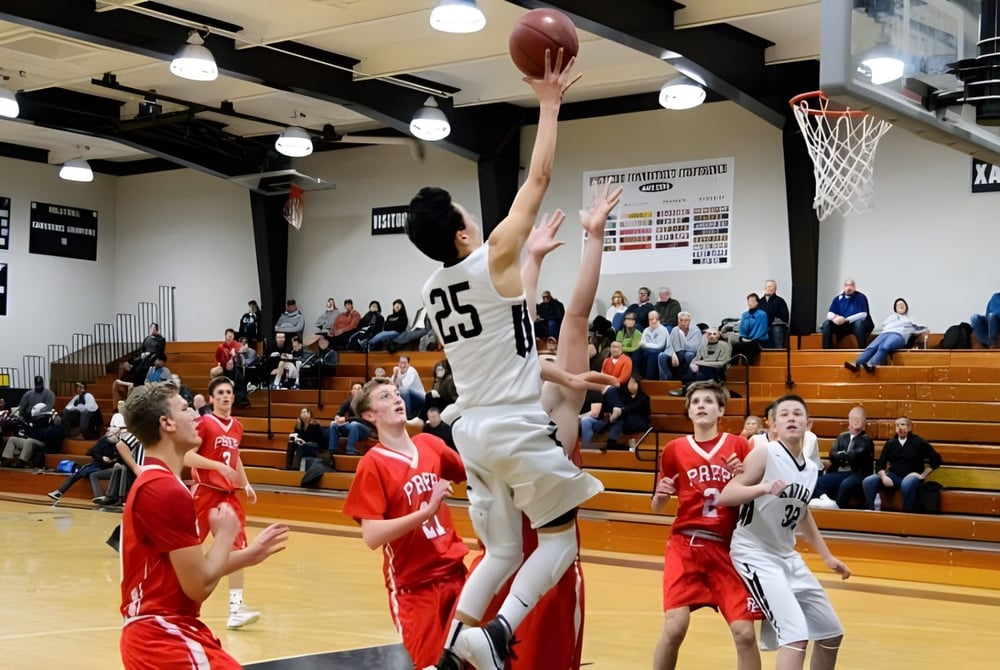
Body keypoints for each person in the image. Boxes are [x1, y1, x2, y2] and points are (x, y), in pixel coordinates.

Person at [405, 49, 600, 670]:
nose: (477, 216)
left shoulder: (435, 292)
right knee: (560, 543)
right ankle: (496, 634)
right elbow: (537, 183)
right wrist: (549, 103)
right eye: (467, 213)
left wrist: (534, 259)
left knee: (500, 555)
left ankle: (449, 656)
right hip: (514, 426)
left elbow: (505, 324)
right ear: (463, 234)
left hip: (474, 431)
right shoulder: (489, 254)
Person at [118, 382, 287, 669]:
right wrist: (224, 535)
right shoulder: (163, 489)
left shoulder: (163, 483)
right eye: (185, 409)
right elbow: (199, 586)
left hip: (162, 631)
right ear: (166, 422)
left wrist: (251, 554)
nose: (196, 415)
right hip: (162, 634)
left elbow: (194, 570)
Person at [342, 377, 468, 670]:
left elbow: (473, 473)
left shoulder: (430, 444)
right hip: (413, 587)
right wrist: (424, 513)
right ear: (369, 415)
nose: (397, 399)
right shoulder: (373, 463)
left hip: (456, 574)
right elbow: (372, 536)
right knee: (432, 665)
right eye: (385, 396)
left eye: (397, 394)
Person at [718, 394, 850, 670]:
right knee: (796, 635)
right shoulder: (765, 452)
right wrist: (762, 488)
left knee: (831, 633)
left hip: (785, 555)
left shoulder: (811, 468)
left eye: (797, 414)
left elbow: (801, 512)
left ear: (808, 424)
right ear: (773, 426)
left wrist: (827, 557)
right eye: (785, 414)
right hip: (754, 553)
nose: (791, 418)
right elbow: (726, 495)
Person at [652, 381, 759, 670]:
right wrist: (660, 495)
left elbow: (754, 494)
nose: (701, 405)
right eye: (695, 401)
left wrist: (744, 475)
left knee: (745, 634)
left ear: (721, 409)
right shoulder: (674, 450)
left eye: (708, 401)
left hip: (726, 549)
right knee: (675, 627)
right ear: (688, 411)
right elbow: (657, 505)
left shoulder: (739, 445)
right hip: (685, 546)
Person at [182, 376, 261, 630]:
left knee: (237, 552)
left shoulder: (237, 425)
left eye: (229, 392)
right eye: (221, 393)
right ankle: (174, 599)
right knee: (187, 549)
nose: (226, 396)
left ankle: (236, 609)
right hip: (204, 493)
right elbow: (187, 456)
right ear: (212, 399)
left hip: (227, 496)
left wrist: (245, 482)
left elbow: (235, 459)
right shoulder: (204, 422)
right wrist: (217, 466)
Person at [862, 417, 942, 512]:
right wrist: (884, 477)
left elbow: (936, 461)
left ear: (909, 428)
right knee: (868, 481)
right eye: (897, 425)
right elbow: (880, 465)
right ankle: (871, 510)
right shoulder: (891, 444)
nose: (900, 427)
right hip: (894, 476)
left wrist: (922, 476)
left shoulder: (919, 442)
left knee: (906, 484)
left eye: (903, 424)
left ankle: (907, 515)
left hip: (911, 476)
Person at [810, 406, 874, 510]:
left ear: (864, 423)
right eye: (854, 419)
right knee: (819, 481)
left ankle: (838, 510)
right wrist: (841, 456)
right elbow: (833, 454)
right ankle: (825, 501)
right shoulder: (842, 437)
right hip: (839, 472)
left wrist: (840, 456)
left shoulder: (866, 440)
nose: (856, 422)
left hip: (858, 473)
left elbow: (856, 455)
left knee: (846, 484)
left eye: (859, 419)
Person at [844, 298, 928, 372]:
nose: (901, 306)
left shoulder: (909, 321)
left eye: (903, 304)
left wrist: (925, 330)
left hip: (899, 335)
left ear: (906, 307)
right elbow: (880, 328)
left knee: (884, 346)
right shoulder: (890, 318)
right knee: (872, 347)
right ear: (895, 308)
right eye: (898, 305)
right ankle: (857, 363)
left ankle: (871, 364)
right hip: (885, 333)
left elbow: (921, 329)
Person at [47, 428, 119, 501]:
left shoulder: (119, 444)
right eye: (110, 433)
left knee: (85, 473)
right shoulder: (104, 441)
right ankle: (59, 492)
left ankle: (59, 492)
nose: (112, 435)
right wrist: (102, 458)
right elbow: (91, 452)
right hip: (98, 464)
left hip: (107, 467)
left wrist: (113, 461)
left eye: (115, 434)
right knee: (78, 473)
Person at [669, 327, 732, 396]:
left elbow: (722, 363)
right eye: (709, 334)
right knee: (691, 367)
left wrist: (701, 363)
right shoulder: (703, 346)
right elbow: (696, 359)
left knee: (705, 370)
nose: (712, 336)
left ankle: (688, 387)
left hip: (716, 371)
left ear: (718, 335)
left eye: (714, 334)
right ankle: (688, 385)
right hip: (702, 370)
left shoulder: (724, 346)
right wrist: (693, 363)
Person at [820, 278, 874, 349]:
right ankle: (826, 350)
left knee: (859, 323)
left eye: (851, 285)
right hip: (842, 326)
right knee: (826, 324)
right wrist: (834, 319)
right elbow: (830, 313)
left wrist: (846, 320)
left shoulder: (860, 297)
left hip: (856, 325)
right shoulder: (838, 298)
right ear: (844, 287)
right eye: (847, 285)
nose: (849, 287)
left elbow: (863, 315)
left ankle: (862, 349)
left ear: (854, 287)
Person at [328, 382, 372, 455]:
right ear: (351, 391)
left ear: (363, 391)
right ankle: (332, 451)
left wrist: (346, 419)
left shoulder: (366, 403)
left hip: (365, 429)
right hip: (352, 426)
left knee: (354, 424)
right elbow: (339, 413)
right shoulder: (348, 402)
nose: (357, 390)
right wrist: (337, 418)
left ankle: (350, 451)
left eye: (359, 388)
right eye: (355, 388)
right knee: (334, 425)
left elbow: (361, 419)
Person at [658, 311, 702, 381]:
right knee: (662, 355)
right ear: (678, 320)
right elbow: (669, 345)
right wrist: (673, 354)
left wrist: (683, 339)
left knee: (689, 355)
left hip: (690, 354)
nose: (683, 322)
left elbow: (694, 348)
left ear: (690, 321)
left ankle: (688, 379)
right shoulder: (675, 329)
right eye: (681, 320)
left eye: (686, 320)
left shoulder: (696, 331)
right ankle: (667, 378)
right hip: (677, 354)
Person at [730, 293, 768, 363]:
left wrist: (752, 339)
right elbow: (742, 328)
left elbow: (761, 330)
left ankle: (748, 367)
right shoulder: (745, 314)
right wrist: (743, 337)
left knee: (750, 347)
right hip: (746, 339)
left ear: (757, 303)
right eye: (749, 301)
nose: (750, 303)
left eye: (753, 301)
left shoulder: (762, 314)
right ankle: (734, 367)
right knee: (735, 346)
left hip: (758, 340)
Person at [635, 310, 668, 379]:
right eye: (651, 319)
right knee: (637, 351)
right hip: (647, 351)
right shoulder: (646, 330)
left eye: (655, 319)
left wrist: (645, 345)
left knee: (652, 355)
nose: (653, 321)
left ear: (658, 319)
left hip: (659, 352)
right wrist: (644, 345)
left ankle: (649, 379)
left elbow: (660, 346)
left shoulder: (663, 330)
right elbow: (642, 343)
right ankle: (635, 375)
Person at [392, 355, 425, 420]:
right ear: (398, 364)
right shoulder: (397, 371)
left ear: (408, 364)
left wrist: (398, 375)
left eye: (405, 363)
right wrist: (395, 375)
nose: (402, 365)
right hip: (408, 400)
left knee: (404, 392)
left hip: (420, 399)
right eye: (401, 363)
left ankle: (408, 418)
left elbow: (404, 388)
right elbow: (391, 386)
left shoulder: (411, 370)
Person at [760, 280, 790, 349]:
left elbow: (785, 316)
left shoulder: (780, 301)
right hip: (763, 326)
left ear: (775, 289)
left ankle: (779, 355)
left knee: (776, 329)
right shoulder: (760, 302)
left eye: (771, 287)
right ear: (765, 288)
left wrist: (773, 319)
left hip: (776, 325)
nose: (769, 288)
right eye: (768, 287)